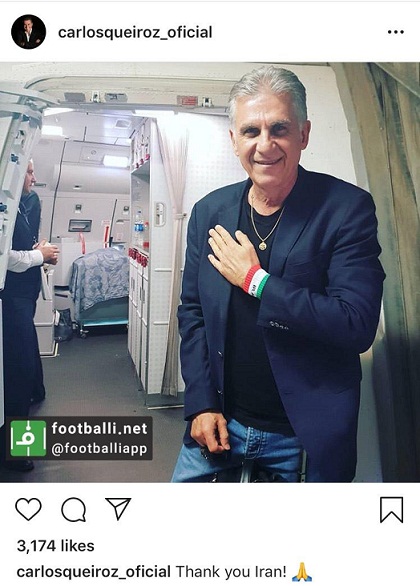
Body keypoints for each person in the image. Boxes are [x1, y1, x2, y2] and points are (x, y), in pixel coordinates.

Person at [172, 66, 385, 483]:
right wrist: (200, 403)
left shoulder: (346, 209)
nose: (264, 145)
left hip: (303, 436)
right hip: (222, 424)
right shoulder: (209, 212)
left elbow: (356, 324)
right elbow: (193, 313)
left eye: (280, 129)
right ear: (234, 140)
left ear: (304, 134)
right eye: (251, 131)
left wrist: (256, 281)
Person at [0, 160, 59, 471]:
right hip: (11, 300)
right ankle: (20, 452)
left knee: (26, 366)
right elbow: (4, 257)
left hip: (24, 296)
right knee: (18, 372)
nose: (34, 178)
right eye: (29, 171)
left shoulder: (25, 203)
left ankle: (37, 394)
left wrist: (39, 251)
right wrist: (40, 255)